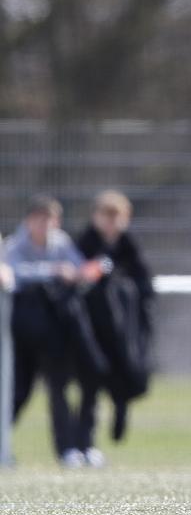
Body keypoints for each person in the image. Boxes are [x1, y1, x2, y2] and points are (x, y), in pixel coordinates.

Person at [6, 195, 106, 467]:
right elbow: (13, 274)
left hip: (55, 332)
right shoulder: (15, 245)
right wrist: (53, 271)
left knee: (59, 387)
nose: (45, 225)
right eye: (40, 219)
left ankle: (69, 449)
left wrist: (85, 272)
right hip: (23, 333)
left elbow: (78, 268)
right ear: (29, 221)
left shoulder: (61, 242)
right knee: (17, 391)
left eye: (50, 220)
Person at [76, 190, 155, 465]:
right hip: (91, 329)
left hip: (123, 332)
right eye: (106, 216)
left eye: (116, 216)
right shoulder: (85, 243)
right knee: (90, 387)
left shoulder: (129, 245)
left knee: (125, 375)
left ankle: (121, 410)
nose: (111, 223)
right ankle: (84, 444)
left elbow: (144, 283)